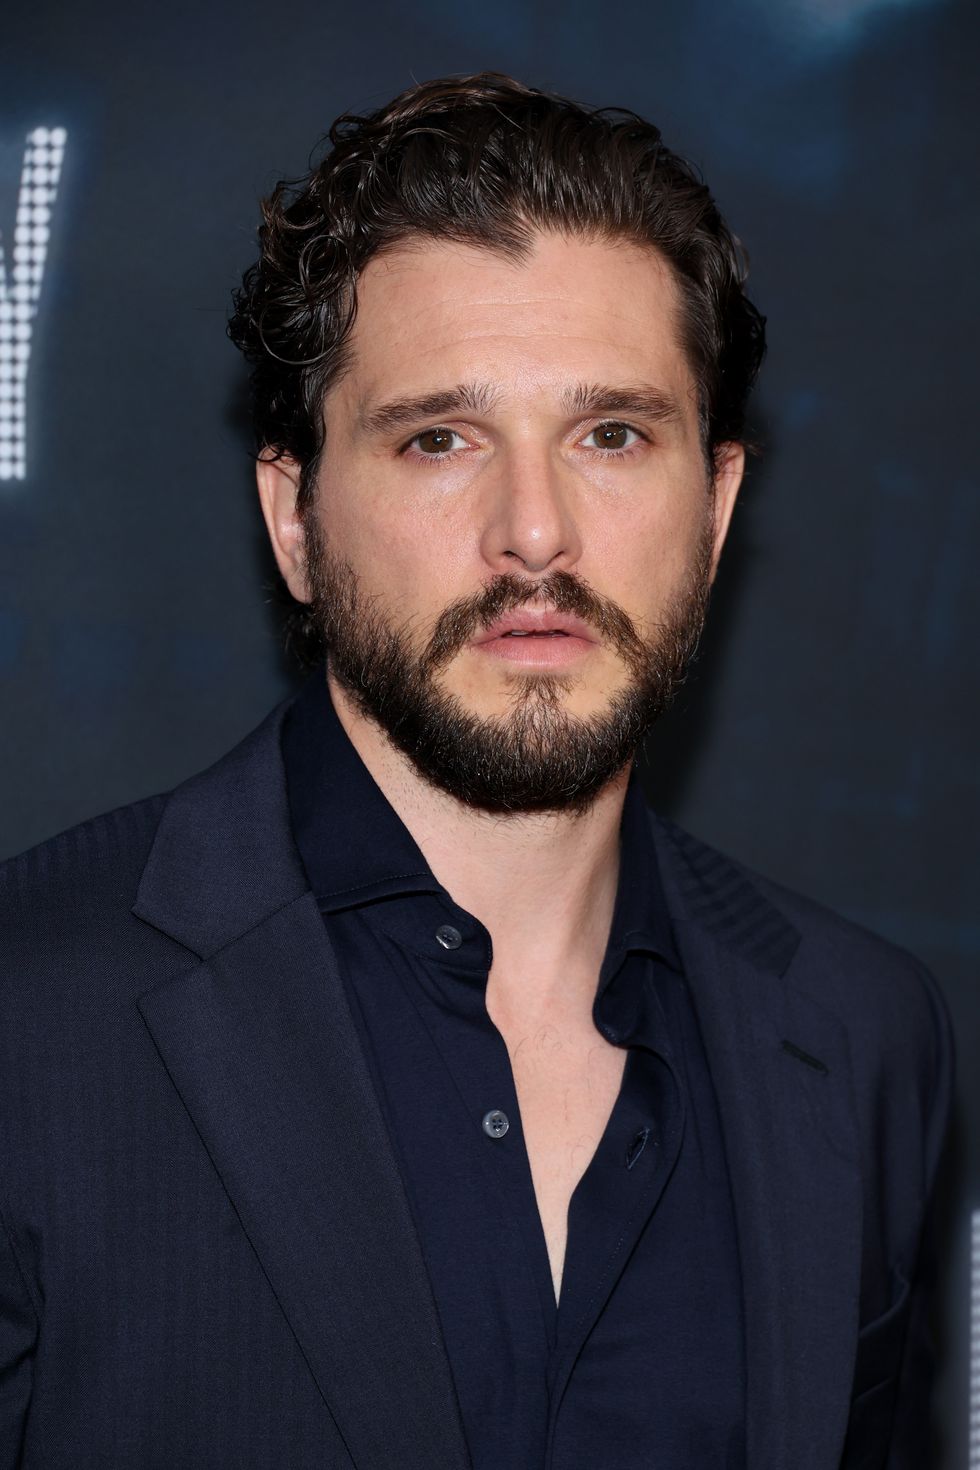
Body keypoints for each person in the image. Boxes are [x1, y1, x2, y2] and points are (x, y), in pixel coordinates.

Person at [0, 73, 952, 1469]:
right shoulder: (27, 1017)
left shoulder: (866, 1038)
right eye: (440, 438)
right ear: (297, 519)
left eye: (612, 435)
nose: (536, 531)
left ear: (716, 508)